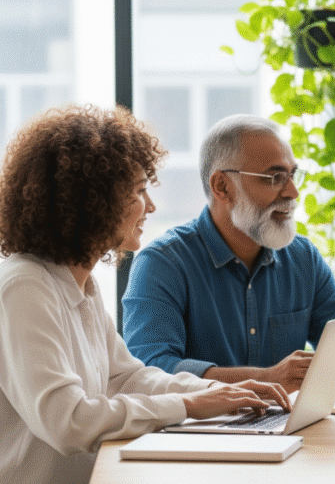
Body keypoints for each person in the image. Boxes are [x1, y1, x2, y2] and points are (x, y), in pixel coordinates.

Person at [0, 105, 290, 484]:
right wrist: (188, 404)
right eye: (138, 192)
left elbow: (126, 378)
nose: (150, 206)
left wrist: (218, 391)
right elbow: (68, 422)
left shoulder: (80, 286)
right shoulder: (23, 288)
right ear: (90, 201)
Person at [122, 114, 335, 392]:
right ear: (222, 187)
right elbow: (151, 369)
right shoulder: (162, 263)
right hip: (198, 434)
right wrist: (266, 379)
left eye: (292, 175)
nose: (293, 192)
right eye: (275, 177)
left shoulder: (303, 258)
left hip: (290, 431)